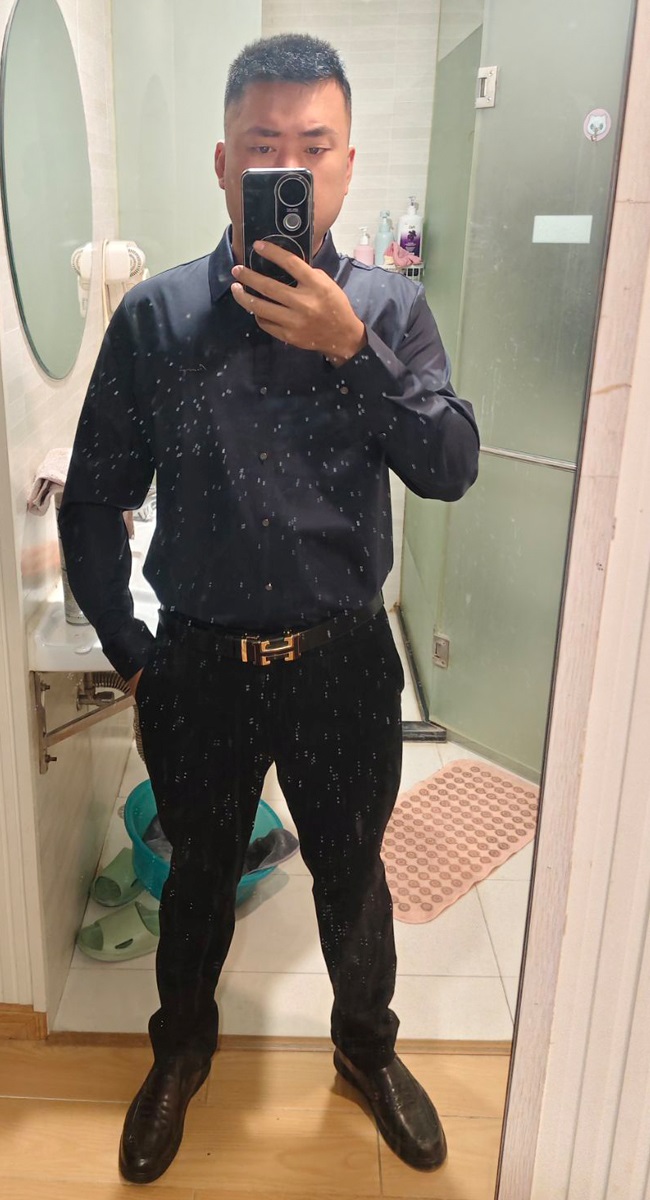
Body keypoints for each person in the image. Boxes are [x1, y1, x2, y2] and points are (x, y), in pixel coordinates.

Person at [59, 33, 479, 1186]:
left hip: (343, 661)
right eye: (262, 147)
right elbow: (92, 497)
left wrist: (353, 352)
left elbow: (450, 465)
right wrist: (130, 650)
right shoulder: (154, 318)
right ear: (222, 164)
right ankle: (180, 1054)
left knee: (351, 874)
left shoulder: (388, 309)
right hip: (195, 665)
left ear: (345, 164)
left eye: (312, 146)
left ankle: (365, 1051)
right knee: (198, 873)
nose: (287, 169)